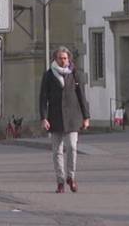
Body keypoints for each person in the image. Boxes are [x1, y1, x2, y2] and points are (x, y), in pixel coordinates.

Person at [39, 46, 90, 194]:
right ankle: (60, 181)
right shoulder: (48, 75)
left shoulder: (74, 74)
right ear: (55, 59)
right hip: (55, 118)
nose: (63, 61)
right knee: (57, 151)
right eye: (60, 58)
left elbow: (82, 96)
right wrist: (44, 117)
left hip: (73, 118)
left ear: (69, 59)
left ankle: (71, 177)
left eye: (65, 58)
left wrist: (86, 117)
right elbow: (43, 98)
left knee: (73, 148)